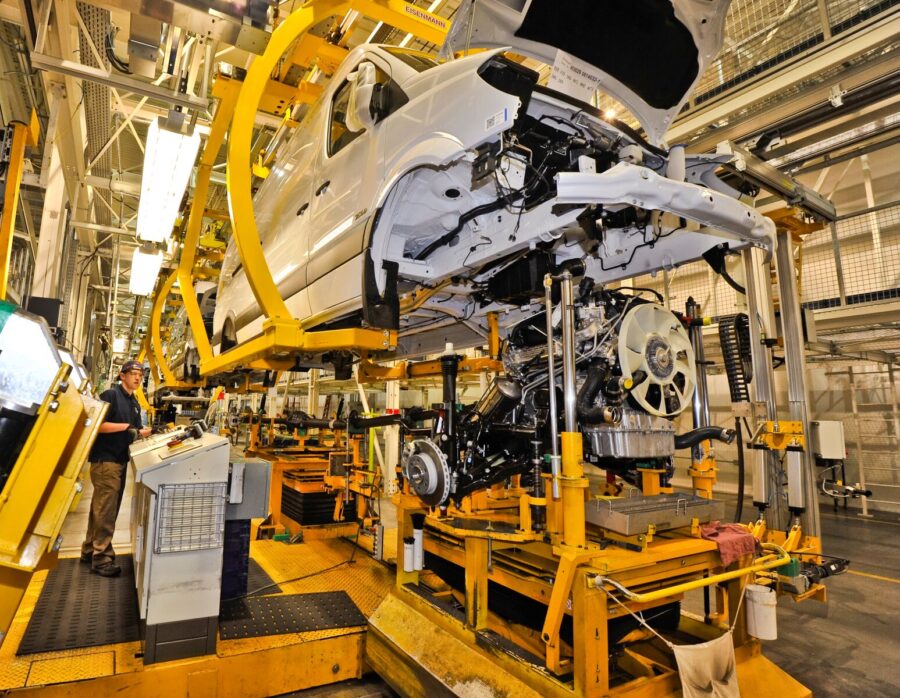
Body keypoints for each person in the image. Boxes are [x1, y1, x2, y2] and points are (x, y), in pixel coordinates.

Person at [80, 360, 151, 577]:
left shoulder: (134, 402)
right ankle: (101, 559)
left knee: (100, 508)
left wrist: (145, 432)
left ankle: (89, 549)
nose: (138, 378)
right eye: (133, 373)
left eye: (140, 374)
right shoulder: (111, 395)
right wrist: (128, 428)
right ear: (122, 375)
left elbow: (136, 430)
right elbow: (96, 424)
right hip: (106, 462)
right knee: (107, 510)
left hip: (119, 461)